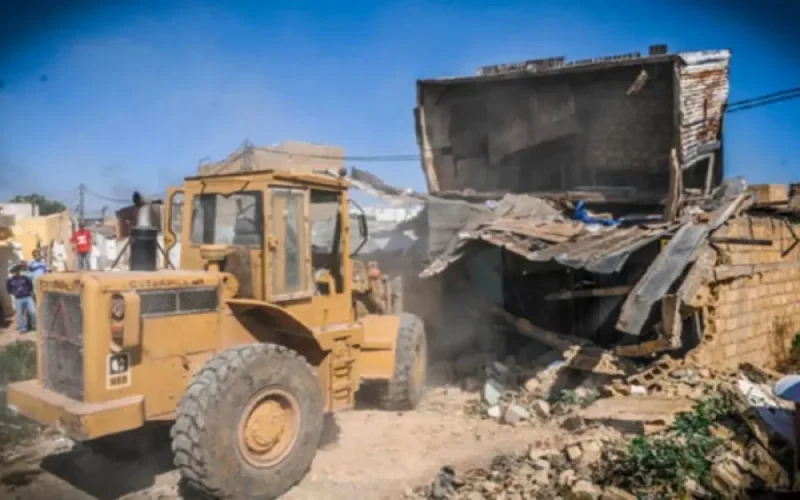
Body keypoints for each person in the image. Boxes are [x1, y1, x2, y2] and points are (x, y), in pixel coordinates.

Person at [6, 264, 36, 333]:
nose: (15, 272)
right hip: (18, 299)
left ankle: (34, 326)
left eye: (17, 270)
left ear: (19, 270)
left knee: (33, 312)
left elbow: (30, 286)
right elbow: (9, 289)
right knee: (20, 314)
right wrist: (15, 293)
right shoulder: (9, 281)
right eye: (13, 271)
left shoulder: (25, 278)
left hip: (28, 297)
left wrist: (28, 292)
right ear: (12, 272)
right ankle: (23, 328)